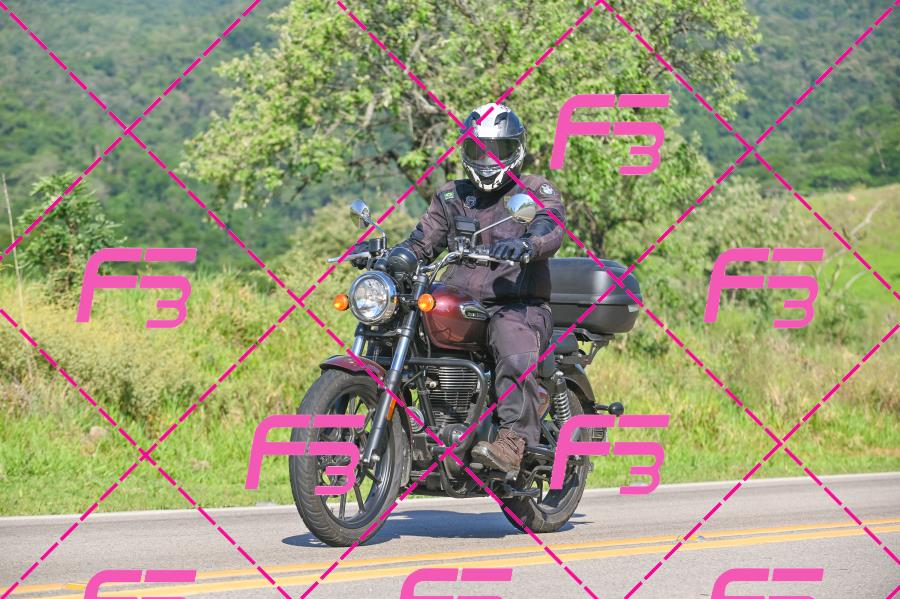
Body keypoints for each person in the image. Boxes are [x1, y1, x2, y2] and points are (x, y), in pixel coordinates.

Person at [357, 103, 566, 473]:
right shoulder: (451, 196)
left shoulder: (534, 189)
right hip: (462, 299)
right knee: (401, 318)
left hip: (516, 304)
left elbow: (550, 224)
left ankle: (514, 439)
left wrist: (527, 244)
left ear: (516, 149)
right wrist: (393, 258)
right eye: (478, 150)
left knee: (510, 337)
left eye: (496, 151)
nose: (487, 160)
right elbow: (422, 241)